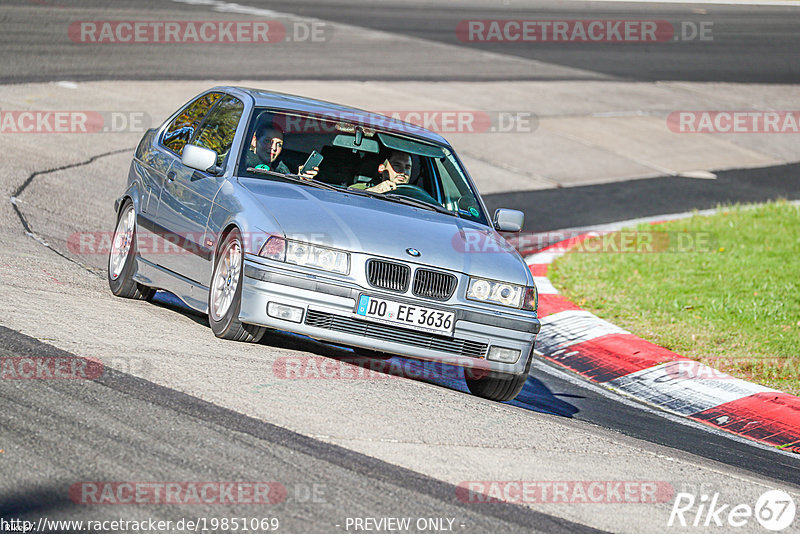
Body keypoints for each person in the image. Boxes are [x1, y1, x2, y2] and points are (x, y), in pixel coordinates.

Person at [246, 122, 318, 180]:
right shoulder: (241, 165)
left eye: (279, 144)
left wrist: (300, 179)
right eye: (267, 141)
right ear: (254, 141)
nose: (274, 148)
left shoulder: (283, 171)